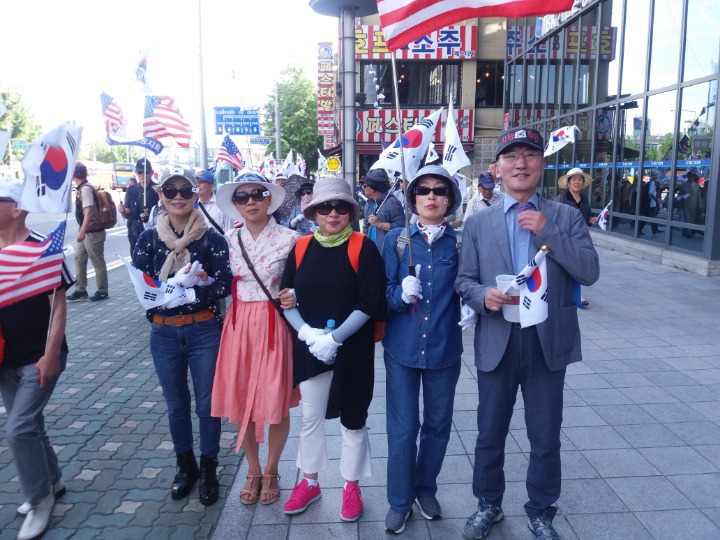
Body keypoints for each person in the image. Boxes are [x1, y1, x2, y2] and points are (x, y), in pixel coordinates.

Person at [455, 128, 600, 540]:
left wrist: (548, 232)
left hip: (547, 341)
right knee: (489, 431)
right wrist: (483, 295)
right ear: (498, 168)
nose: (521, 163)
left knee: (545, 434)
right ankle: (488, 503)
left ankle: (541, 511)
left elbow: (589, 272)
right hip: (498, 339)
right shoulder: (478, 223)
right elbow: (464, 280)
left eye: (530, 155)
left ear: (541, 164)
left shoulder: (566, 217)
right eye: (512, 156)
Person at [278, 177, 387, 522]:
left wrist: (335, 338)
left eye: (341, 207)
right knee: (310, 417)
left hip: (352, 350)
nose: (333, 213)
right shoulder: (301, 247)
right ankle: (309, 482)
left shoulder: (363, 246)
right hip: (311, 348)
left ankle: (351, 485)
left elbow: (371, 301)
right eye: (325, 207)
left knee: (353, 418)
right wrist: (308, 334)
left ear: (351, 212)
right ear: (313, 212)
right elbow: (286, 297)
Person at [381, 165, 474, 534]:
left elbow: (470, 284)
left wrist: (473, 305)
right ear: (413, 198)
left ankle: (425, 489)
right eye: (423, 190)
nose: (431, 196)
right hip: (402, 349)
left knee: (437, 426)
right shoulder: (397, 240)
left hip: (444, 348)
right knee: (403, 428)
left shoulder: (461, 242)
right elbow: (383, 292)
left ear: (449, 199)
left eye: (439, 190)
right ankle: (399, 501)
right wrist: (399, 295)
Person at [132, 165, 232, 506]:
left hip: (204, 329)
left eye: (185, 191)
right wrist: (167, 291)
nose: (178, 197)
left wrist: (194, 289)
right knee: (176, 405)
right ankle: (185, 466)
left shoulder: (211, 238)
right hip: (163, 332)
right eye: (171, 191)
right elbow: (141, 286)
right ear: (161, 195)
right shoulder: (148, 238)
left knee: (207, 404)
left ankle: (208, 468)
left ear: (195, 195)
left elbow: (224, 283)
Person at [211, 171, 300, 506]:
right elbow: (218, 281)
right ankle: (253, 469)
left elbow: (302, 281)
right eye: (242, 196)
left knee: (277, 398)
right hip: (239, 324)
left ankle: (272, 469)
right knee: (241, 397)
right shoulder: (227, 239)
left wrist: (295, 295)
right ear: (235, 204)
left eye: (257, 194)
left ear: (269, 199)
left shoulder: (291, 239)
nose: (250, 202)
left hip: (275, 323)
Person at [0, 178, 73, 540]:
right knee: (31, 424)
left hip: (38, 356)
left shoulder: (43, 249)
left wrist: (51, 354)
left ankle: (39, 499)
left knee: (19, 429)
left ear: (17, 208)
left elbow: (58, 306)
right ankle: (53, 480)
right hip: (4, 357)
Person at [555, 167, 598, 308]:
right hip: (565, 238)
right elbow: (556, 219)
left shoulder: (584, 199)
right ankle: (577, 295)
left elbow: (586, 216)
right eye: (574, 179)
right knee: (570, 265)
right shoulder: (561, 199)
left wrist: (590, 220)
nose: (577, 182)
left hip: (580, 238)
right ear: (568, 183)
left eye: (580, 179)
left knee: (576, 265)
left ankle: (572, 292)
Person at [67, 163, 109, 302]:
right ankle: (80, 289)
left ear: (74, 175)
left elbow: (89, 211)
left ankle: (102, 290)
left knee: (97, 261)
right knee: (79, 258)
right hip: (87, 232)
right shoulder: (84, 187)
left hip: (92, 232)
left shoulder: (85, 189)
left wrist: (82, 231)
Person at [118, 158, 160, 254]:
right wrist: (122, 211)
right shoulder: (131, 189)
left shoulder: (158, 190)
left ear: (152, 173)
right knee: (135, 258)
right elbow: (128, 213)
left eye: (146, 172)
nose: (142, 175)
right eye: (139, 172)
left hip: (153, 232)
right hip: (135, 232)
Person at [361, 169, 405, 251]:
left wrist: (379, 224)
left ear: (372, 188)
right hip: (371, 250)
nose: (363, 188)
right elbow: (366, 225)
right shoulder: (369, 203)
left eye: (364, 186)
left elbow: (401, 227)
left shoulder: (393, 203)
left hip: (387, 251)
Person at [637, 170, 659, 235]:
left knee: (651, 217)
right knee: (651, 217)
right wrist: (655, 199)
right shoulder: (652, 183)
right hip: (651, 203)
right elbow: (650, 192)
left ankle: (654, 230)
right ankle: (654, 230)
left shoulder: (651, 182)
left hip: (650, 203)